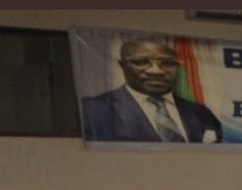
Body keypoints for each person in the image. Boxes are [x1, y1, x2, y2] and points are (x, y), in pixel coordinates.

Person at [82, 37, 222, 143]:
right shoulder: (90, 111)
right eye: (141, 62)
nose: (156, 71)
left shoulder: (202, 114)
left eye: (167, 63)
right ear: (122, 65)